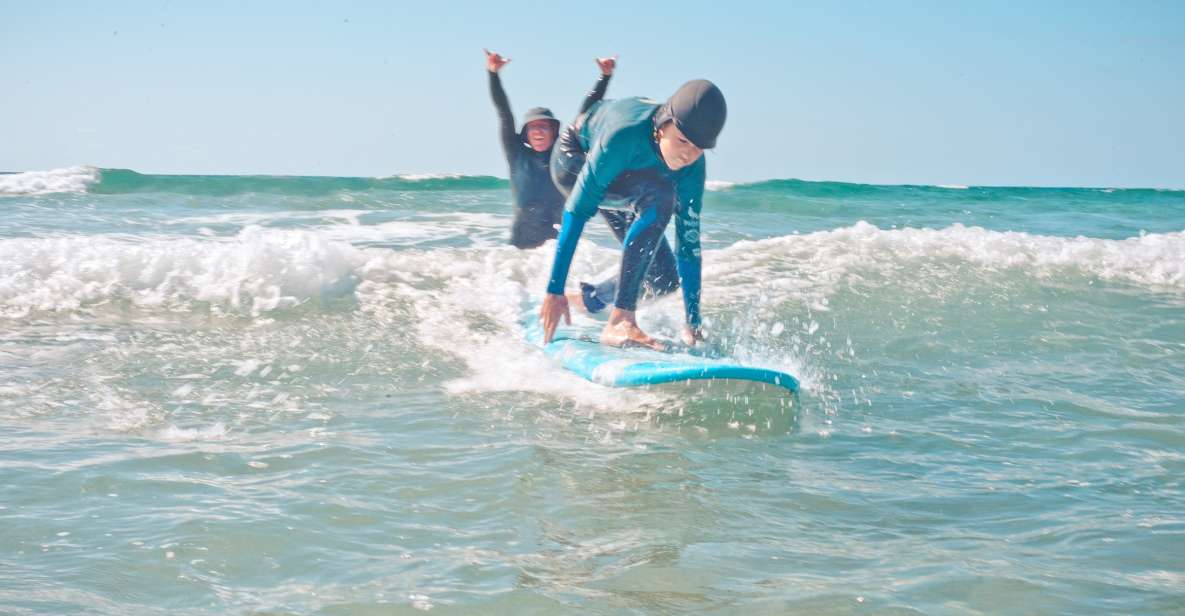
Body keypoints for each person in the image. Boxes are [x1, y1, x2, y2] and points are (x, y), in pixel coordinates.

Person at [539, 79, 727, 350]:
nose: (688, 154)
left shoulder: (692, 167)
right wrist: (552, 291)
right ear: (663, 126)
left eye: (699, 148)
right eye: (683, 141)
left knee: (663, 278)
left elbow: (688, 245)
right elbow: (576, 212)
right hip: (574, 158)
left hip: (633, 175)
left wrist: (693, 323)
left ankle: (587, 300)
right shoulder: (624, 136)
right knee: (661, 196)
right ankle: (620, 320)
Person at [485, 49, 617, 249]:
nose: (538, 131)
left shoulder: (563, 152)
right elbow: (504, 113)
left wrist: (604, 77)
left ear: (554, 131)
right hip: (520, 249)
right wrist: (493, 74)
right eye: (533, 127)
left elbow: (585, 112)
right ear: (526, 134)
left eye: (543, 126)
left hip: (556, 246)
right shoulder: (516, 154)